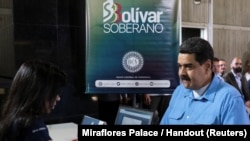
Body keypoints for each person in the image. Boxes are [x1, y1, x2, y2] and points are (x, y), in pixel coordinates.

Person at [160, 37, 250, 125]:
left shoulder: (230, 99)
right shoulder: (179, 92)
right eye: (180, 66)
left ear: (207, 67)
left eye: (189, 67)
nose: (181, 73)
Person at [0, 59, 67, 141]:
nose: (58, 98)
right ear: (39, 92)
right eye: (54, 93)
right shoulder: (32, 126)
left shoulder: (15, 118)